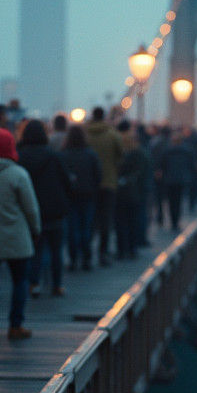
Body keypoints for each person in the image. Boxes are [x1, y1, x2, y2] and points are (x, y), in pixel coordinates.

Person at [0, 127, 41, 340]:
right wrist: (36, 229)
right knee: (20, 282)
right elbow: (31, 208)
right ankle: (15, 326)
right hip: (17, 237)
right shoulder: (18, 174)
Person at [18, 119, 73, 297]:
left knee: (35, 250)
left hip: (30, 210)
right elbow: (67, 181)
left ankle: (34, 283)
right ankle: (56, 285)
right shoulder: (55, 156)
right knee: (56, 250)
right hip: (55, 210)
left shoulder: (20, 157)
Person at [59, 124, 100, 271]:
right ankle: (87, 258)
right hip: (88, 195)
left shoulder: (63, 155)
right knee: (86, 227)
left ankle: (73, 258)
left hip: (70, 196)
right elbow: (98, 175)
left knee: (72, 228)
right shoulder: (91, 154)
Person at [86, 106, 123, 266]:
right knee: (105, 220)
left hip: (89, 184)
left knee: (89, 220)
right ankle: (103, 254)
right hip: (108, 182)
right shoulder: (112, 135)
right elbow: (120, 157)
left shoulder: (85, 135)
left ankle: (86, 255)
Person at [115, 119, 149, 259]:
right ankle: (132, 248)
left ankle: (121, 249)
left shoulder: (119, 152)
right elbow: (143, 172)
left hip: (119, 192)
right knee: (133, 221)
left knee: (120, 222)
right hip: (135, 192)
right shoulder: (140, 153)